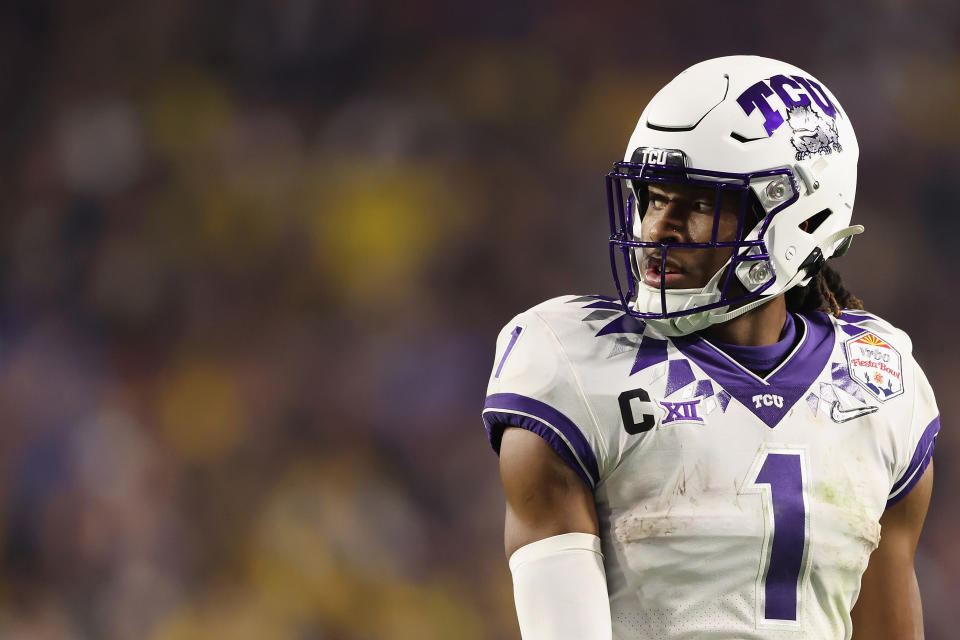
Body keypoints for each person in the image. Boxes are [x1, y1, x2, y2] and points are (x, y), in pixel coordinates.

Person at [481, 56, 938, 640]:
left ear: (800, 216)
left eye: (698, 204)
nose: (658, 229)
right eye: (653, 198)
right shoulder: (573, 362)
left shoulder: (879, 383)